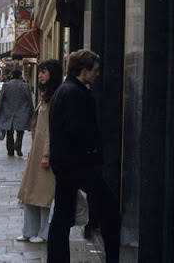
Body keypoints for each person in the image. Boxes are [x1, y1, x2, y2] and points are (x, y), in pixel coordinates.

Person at [47, 49, 120, 263]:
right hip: (77, 165)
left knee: (62, 215)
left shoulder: (66, 89)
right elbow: (77, 130)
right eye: (95, 70)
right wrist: (92, 153)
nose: (97, 74)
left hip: (66, 163)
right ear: (83, 70)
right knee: (109, 210)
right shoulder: (74, 93)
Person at [16, 59, 63, 244]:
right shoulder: (45, 95)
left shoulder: (55, 97)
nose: (40, 75)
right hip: (36, 151)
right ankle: (28, 231)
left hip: (45, 153)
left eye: (44, 72)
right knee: (29, 193)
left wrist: (46, 154)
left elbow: (52, 129)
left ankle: (44, 233)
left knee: (43, 195)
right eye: (40, 71)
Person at [0, 69, 34, 156]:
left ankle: (10, 151)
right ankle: (18, 146)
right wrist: (31, 111)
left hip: (8, 112)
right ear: (20, 76)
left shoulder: (6, 85)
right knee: (20, 131)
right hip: (22, 112)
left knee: (9, 132)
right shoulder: (25, 86)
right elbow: (29, 100)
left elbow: (1, 99)